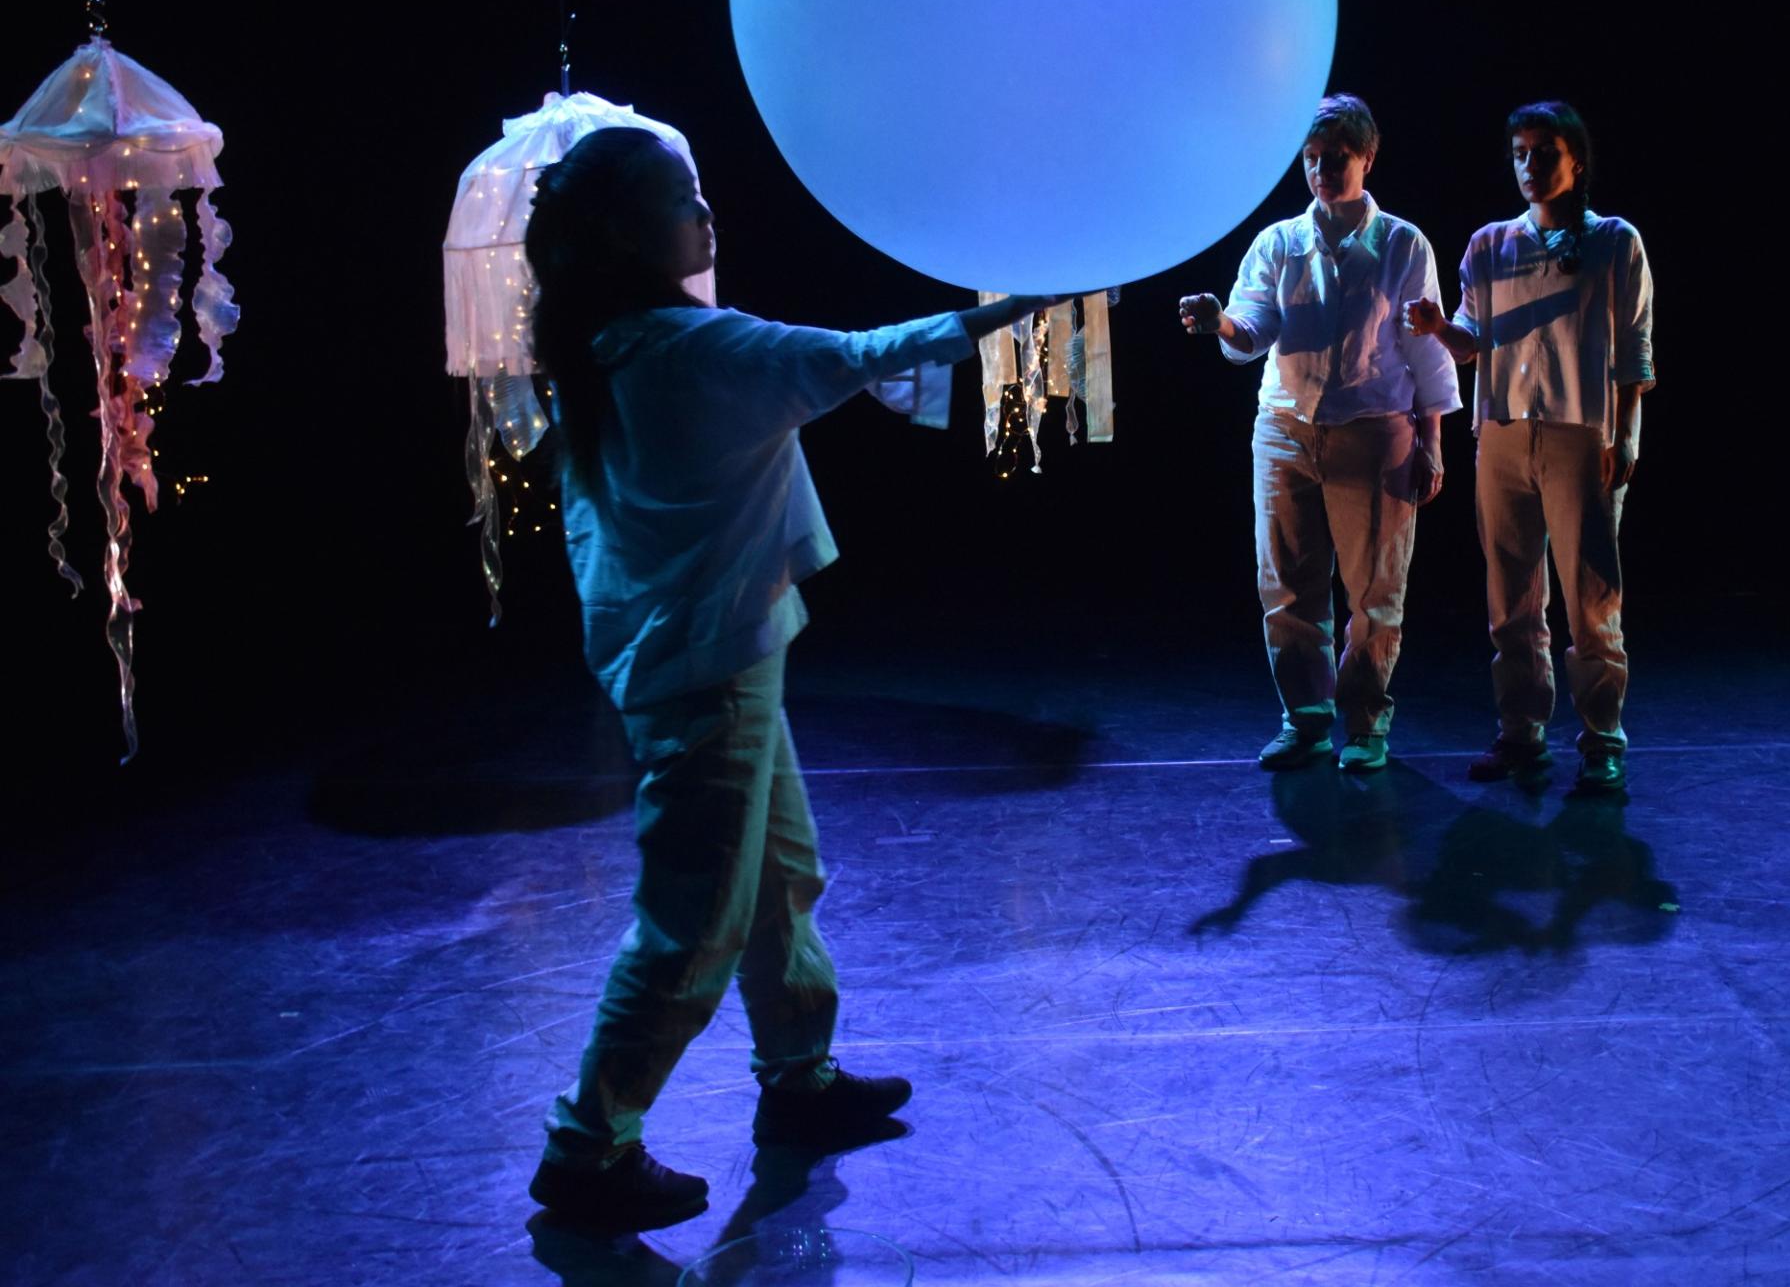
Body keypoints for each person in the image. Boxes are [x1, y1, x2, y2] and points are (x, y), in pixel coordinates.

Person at [520, 126, 1062, 1231]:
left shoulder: (615, 343)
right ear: (631, 233)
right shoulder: (687, 351)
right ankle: (590, 1146)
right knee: (693, 922)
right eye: (686, 195)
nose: (707, 212)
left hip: (713, 652)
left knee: (777, 879)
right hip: (706, 665)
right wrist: (1013, 301)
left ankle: (799, 1081)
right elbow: (859, 356)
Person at [1178, 94, 1461, 773]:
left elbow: (1425, 350)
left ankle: (1365, 723)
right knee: (1288, 582)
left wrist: (1432, 442)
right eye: (1310, 159)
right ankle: (1305, 716)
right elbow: (1250, 330)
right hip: (1286, 428)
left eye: (1335, 158)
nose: (1321, 171)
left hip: (1374, 429)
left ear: (1367, 155)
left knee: (1374, 588)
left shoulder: (1400, 243)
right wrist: (1218, 321)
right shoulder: (1280, 243)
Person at [1404, 101, 1656, 793]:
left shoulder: (1613, 242)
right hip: (1505, 434)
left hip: (1581, 433)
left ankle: (1602, 736)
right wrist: (1434, 327)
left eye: (1545, 153)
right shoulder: (1490, 246)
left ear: (1576, 159)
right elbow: (1471, 340)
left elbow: (1633, 350)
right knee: (1511, 595)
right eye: (1520, 153)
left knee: (1590, 597)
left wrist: (1624, 435)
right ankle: (1522, 730)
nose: (1530, 166)